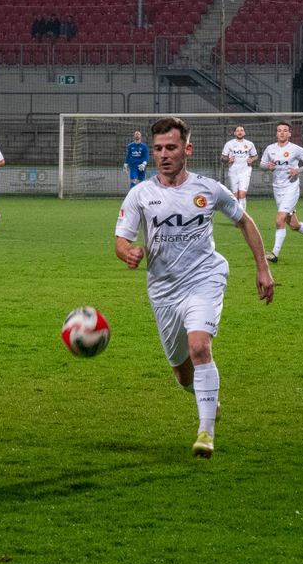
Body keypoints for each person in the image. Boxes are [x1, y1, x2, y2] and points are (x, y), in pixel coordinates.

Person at [114, 116, 274, 459]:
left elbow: (244, 222)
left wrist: (263, 268)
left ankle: (206, 432)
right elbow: (120, 241)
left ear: (187, 149)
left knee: (200, 347)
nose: (163, 155)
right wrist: (129, 252)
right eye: (158, 149)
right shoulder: (140, 194)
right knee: (182, 372)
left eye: (171, 147)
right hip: (163, 290)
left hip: (205, 277)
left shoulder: (209, 189)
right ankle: (206, 398)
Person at [260, 122, 303, 262]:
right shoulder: (270, 149)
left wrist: (298, 170)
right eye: (279, 130)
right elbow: (262, 164)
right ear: (276, 133)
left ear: (289, 133)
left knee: (279, 219)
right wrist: (268, 166)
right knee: (294, 225)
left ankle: (274, 254)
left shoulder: (295, 149)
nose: (282, 133)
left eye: (285, 130)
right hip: (277, 188)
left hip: (291, 188)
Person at [221, 125, 258, 211]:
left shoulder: (249, 144)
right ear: (235, 133)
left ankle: (242, 215)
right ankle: (237, 213)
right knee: (235, 196)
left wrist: (252, 159)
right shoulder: (229, 144)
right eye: (237, 131)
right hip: (233, 172)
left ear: (244, 133)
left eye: (241, 130)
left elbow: (255, 156)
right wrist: (228, 159)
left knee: (242, 194)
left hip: (245, 171)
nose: (240, 132)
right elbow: (222, 157)